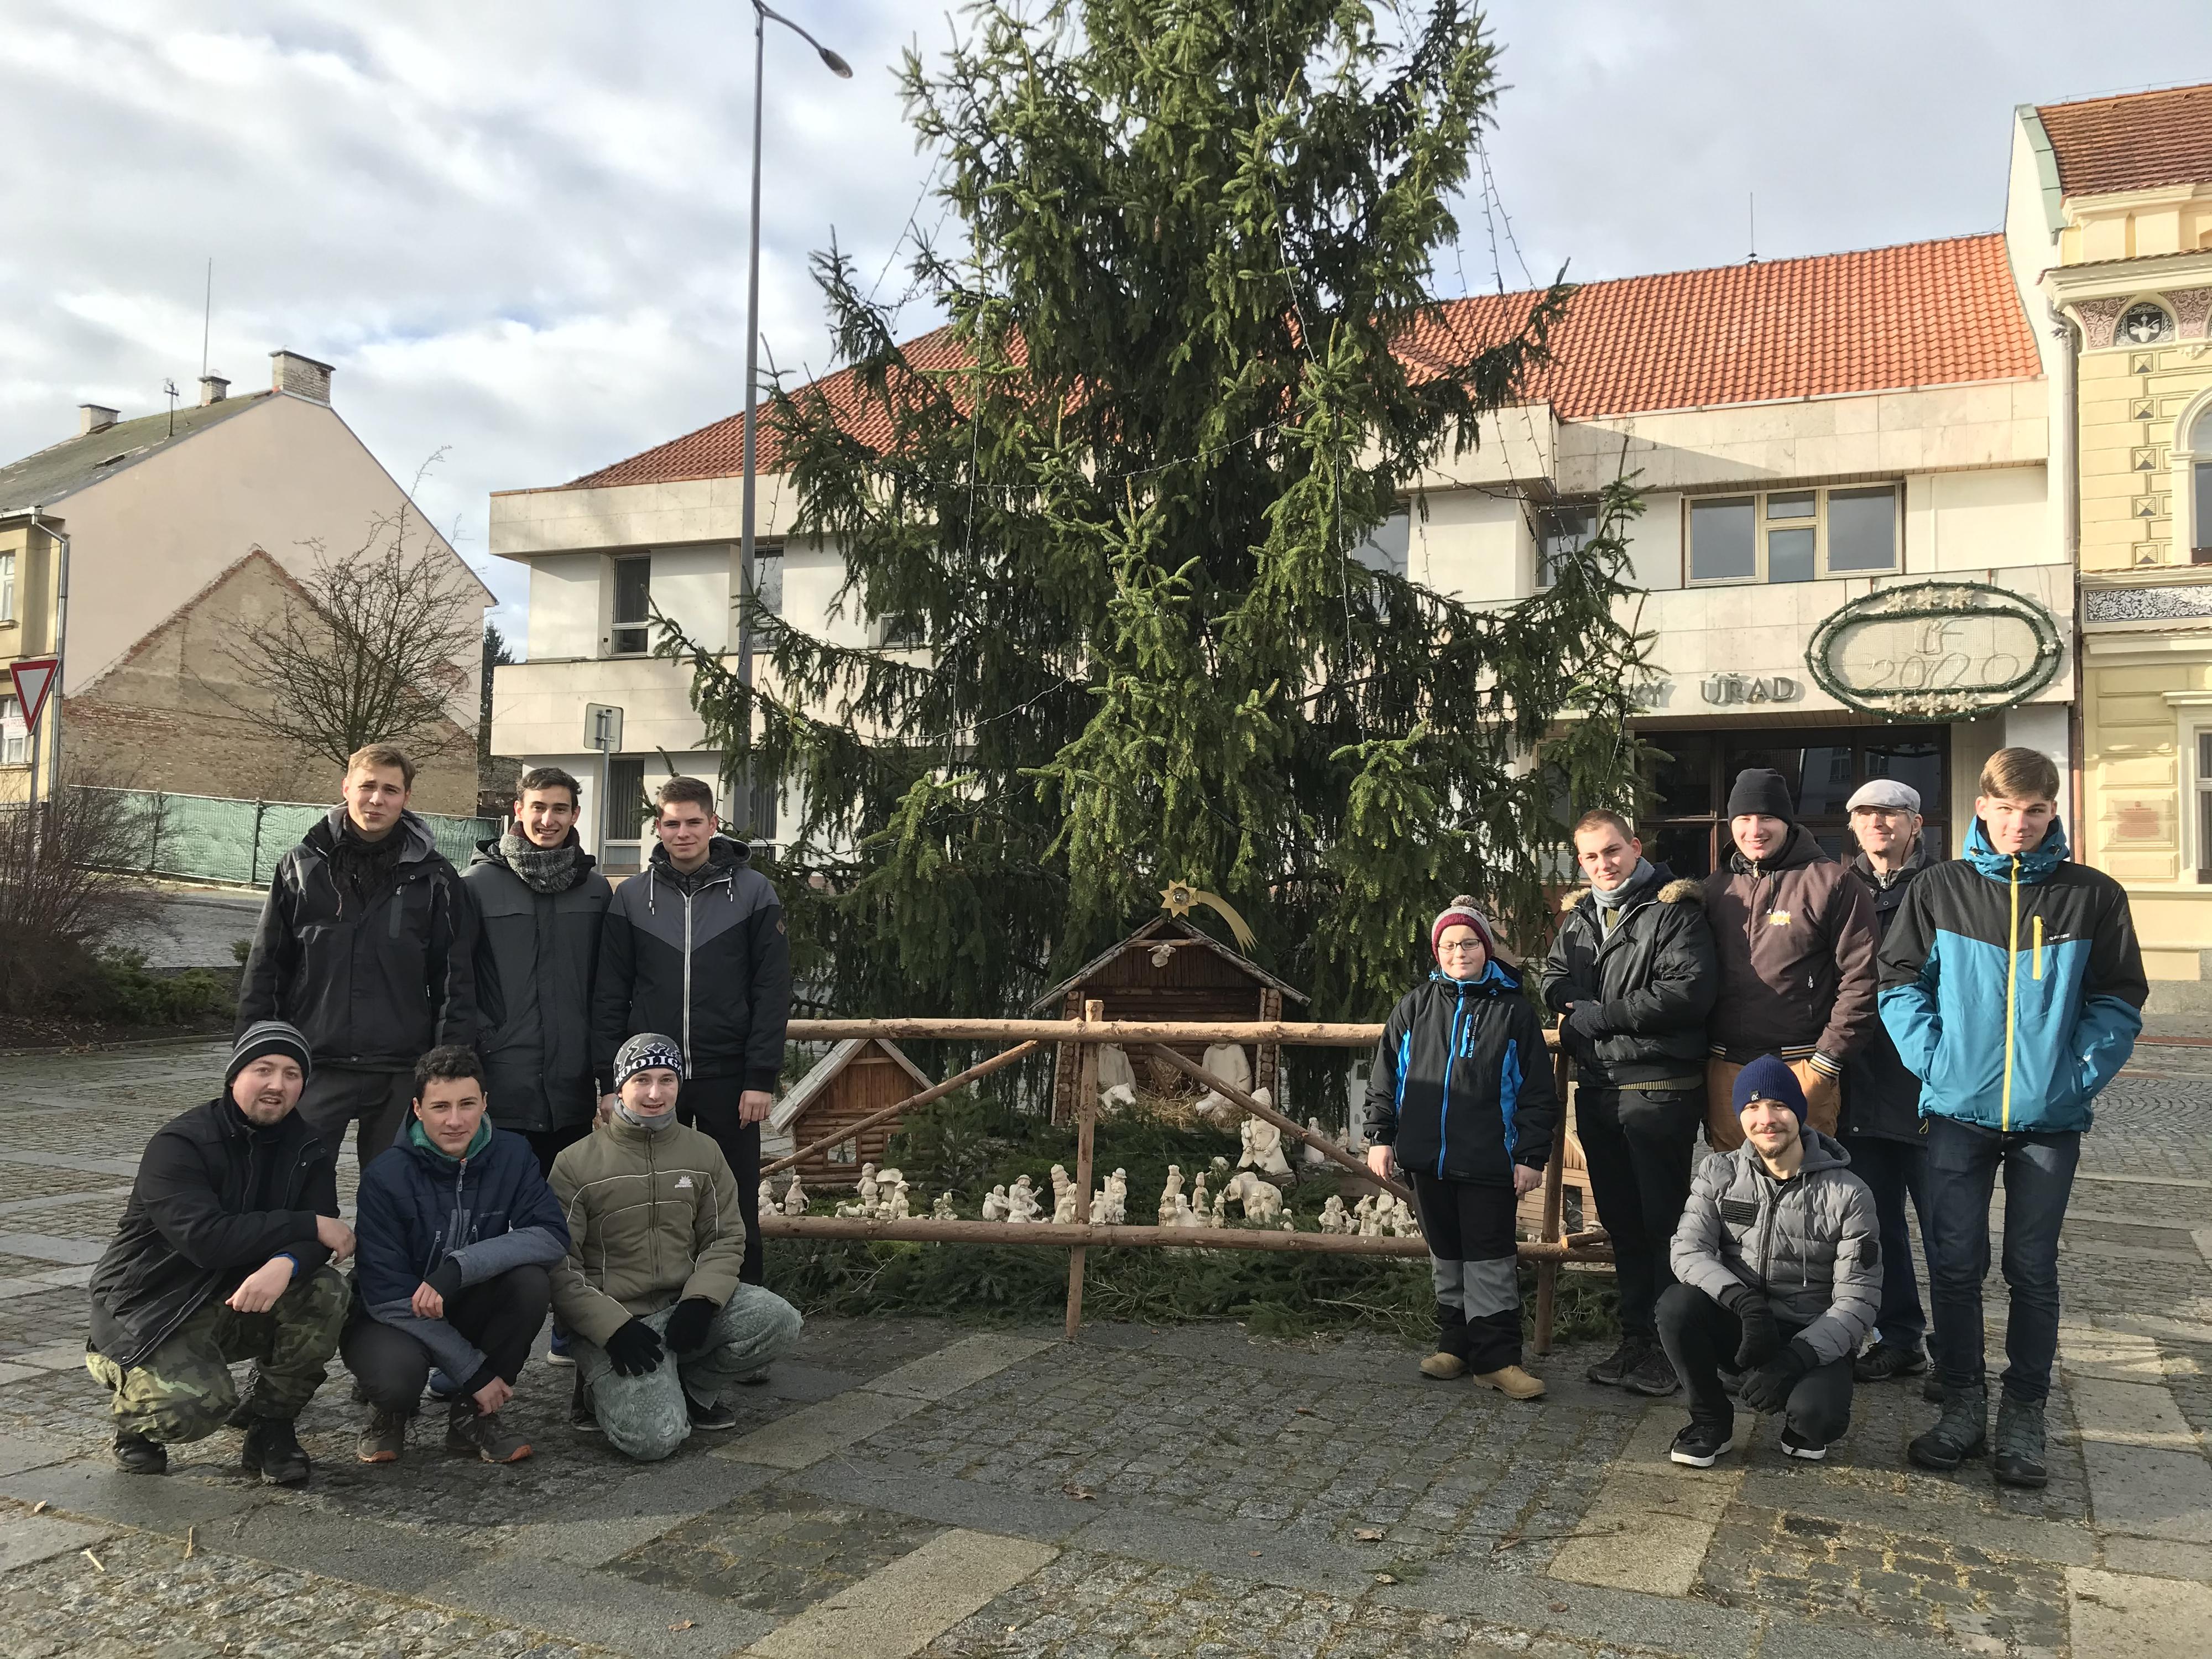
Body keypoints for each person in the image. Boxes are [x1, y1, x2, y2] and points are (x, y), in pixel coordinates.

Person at [1881, 747, 2146, 1488]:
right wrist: (1934, 1062)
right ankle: (1963, 1403)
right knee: (1957, 1266)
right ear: (1982, 809)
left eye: (2034, 810)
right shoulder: (1941, 888)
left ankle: (2024, 1413)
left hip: (2049, 1122)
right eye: (2005, 809)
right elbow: (1899, 982)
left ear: (2053, 811)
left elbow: (2119, 999)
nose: (2018, 824)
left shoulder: (2093, 895)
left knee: (2032, 1269)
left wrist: (2074, 1077)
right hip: (1958, 1114)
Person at [85, 1022, 352, 1484]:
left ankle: (271, 1423)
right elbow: (206, 1240)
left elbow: (322, 1241)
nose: (277, 1085)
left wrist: (285, 1263)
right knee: (192, 1410)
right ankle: (134, 1418)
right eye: (264, 1069)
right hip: (152, 1308)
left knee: (326, 1290)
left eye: (292, 1074)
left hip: (236, 1298)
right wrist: (303, 1224)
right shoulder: (181, 1145)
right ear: (234, 1077)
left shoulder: (308, 1146)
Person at [550, 1034, 804, 1460]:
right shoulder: (575, 1164)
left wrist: (702, 1301)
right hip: (618, 1324)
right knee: (654, 1441)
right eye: (642, 1079)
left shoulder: (703, 1152)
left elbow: (725, 1237)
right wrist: (610, 1328)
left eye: (667, 1079)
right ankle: (597, 1390)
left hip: (683, 1308)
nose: (655, 1093)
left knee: (779, 1320)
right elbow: (560, 1264)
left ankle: (691, 1385)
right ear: (620, 1084)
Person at [1543, 808, 1718, 1397]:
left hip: (1658, 1089)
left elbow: (1685, 992)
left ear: (1634, 846)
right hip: (1598, 1089)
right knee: (1619, 1222)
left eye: (1611, 852)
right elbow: (1550, 978)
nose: (1602, 865)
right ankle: (1634, 1339)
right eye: (1590, 857)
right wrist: (1573, 1005)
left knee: (1663, 1223)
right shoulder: (1578, 917)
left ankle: (1674, 1349)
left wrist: (1598, 1016)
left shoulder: (1672, 911)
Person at [237, 743, 478, 1167]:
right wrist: (254, 1054)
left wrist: (448, 1066)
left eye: (390, 790)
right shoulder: (301, 867)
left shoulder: (436, 878)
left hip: (402, 1070)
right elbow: (267, 968)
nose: (376, 799)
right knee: (298, 1185)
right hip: (314, 1063)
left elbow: (453, 979)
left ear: (406, 799)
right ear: (346, 787)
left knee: (395, 1197)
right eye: (367, 786)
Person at [592, 776, 790, 1286]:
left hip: (730, 1079)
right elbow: (611, 994)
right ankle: (661, 1309)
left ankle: (744, 1321)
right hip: (652, 1081)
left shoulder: (753, 892)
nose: (683, 833)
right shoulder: (632, 897)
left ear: (713, 825)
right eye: (672, 823)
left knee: (736, 1199)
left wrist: (760, 1076)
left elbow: (771, 990)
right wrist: (610, 1084)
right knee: (651, 1200)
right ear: (659, 827)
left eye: (693, 823)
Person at [1365, 896, 1558, 1400]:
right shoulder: (1416, 1006)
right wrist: (1381, 1138)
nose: (1458, 952)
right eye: (1448, 945)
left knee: (1490, 1259)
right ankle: (1457, 1345)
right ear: (1438, 952)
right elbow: (1386, 1077)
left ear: (1486, 948)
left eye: (1469, 942)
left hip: (1490, 1160)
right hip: (1427, 1159)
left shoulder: (1513, 1011)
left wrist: (1530, 1156)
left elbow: (1538, 1092)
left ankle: (1497, 1360)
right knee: (1446, 1255)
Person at [343, 1045, 570, 1465]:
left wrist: (460, 1267)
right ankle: (388, 1411)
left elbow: (551, 1235)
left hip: (463, 1299)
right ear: (417, 1108)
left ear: (485, 1102)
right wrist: (475, 1370)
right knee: (398, 1380)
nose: (454, 1120)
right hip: (393, 1315)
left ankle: (472, 1416)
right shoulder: (384, 1175)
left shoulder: (514, 1154)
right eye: (440, 1106)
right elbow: (387, 1294)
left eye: (467, 1104)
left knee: (530, 1283)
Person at [1658, 1057, 1880, 1468]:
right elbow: (1687, 1250)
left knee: (1818, 1422)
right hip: (1743, 1322)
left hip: (1811, 1336)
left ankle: (1799, 1411)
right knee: (1676, 1304)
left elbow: (1859, 1301)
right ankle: (1710, 1420)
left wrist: (1795, 1358)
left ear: (1798, 1110)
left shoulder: (1850, 1194)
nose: (1766, 1119)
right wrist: (1742, 1302)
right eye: (1752, 1108)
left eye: (1778, 1106)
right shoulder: (1718, 1172)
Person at [1703, 768, 1879, 1149]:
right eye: (1744, 819)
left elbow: (1862, 978)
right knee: (1735, 1191)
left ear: (1786, 821)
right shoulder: (1714, 889)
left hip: (1802, 1065)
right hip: (1726, 1069)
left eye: (1766, 817)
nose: (1755, 830)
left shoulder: (1832, 882)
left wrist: (1828, 1060)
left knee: (1807, 1189)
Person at [1839, 778, 1938, 1394]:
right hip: (1859, 1081)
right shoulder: (1835, 886)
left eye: (1891, 813)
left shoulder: (1945, 886)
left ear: (1915, 823)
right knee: (1877, 1226)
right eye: (1866, 813)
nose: (1878, 823)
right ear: (1852, 825)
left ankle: (1957, 1355)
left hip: (1930, 1082)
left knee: (1948, 1229)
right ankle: (1899, 1340)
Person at [465, 766, 613, 1173]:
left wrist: (605, 1074)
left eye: (560, 809)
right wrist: (483, 1040)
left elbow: (607, 987)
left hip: (572, 1089)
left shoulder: (595, 889)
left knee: (562, 1220)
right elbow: (457, 979)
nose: (548, 820)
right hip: (501, 1084)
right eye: (539, 808)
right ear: (518, 809)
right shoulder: (476, 886)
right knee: (493, 1216)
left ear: (575, 815)